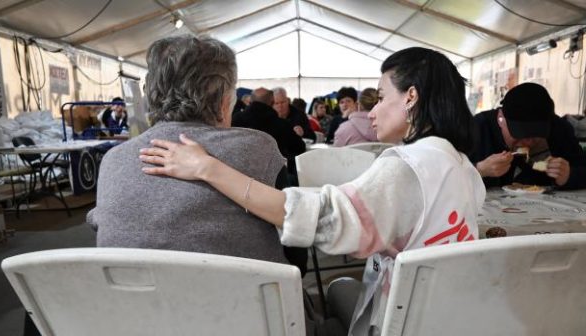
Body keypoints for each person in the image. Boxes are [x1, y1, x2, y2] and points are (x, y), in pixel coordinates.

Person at [139, 47, 486, 335]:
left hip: (406, 319)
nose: (373, 111)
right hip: (455, 313)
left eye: (381, 97)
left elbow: (323, 220)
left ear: (411, 96)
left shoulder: (406, 166)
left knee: (336, 290)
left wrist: (207, 168)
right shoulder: (461, 164)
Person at [87, 35, 290, 265]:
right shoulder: (258, 149)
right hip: (248, 298)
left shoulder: (114, 160)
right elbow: (297, 250)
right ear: (225, 101)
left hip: (130, 299)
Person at [470, 82, 586, 190]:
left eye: (537, 135)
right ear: (500, 118)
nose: (528, 142)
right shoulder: (477, 128)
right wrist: (479, 170)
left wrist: (569, 175)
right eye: (519, 134)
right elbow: (451, 178)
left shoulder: (558, 128)